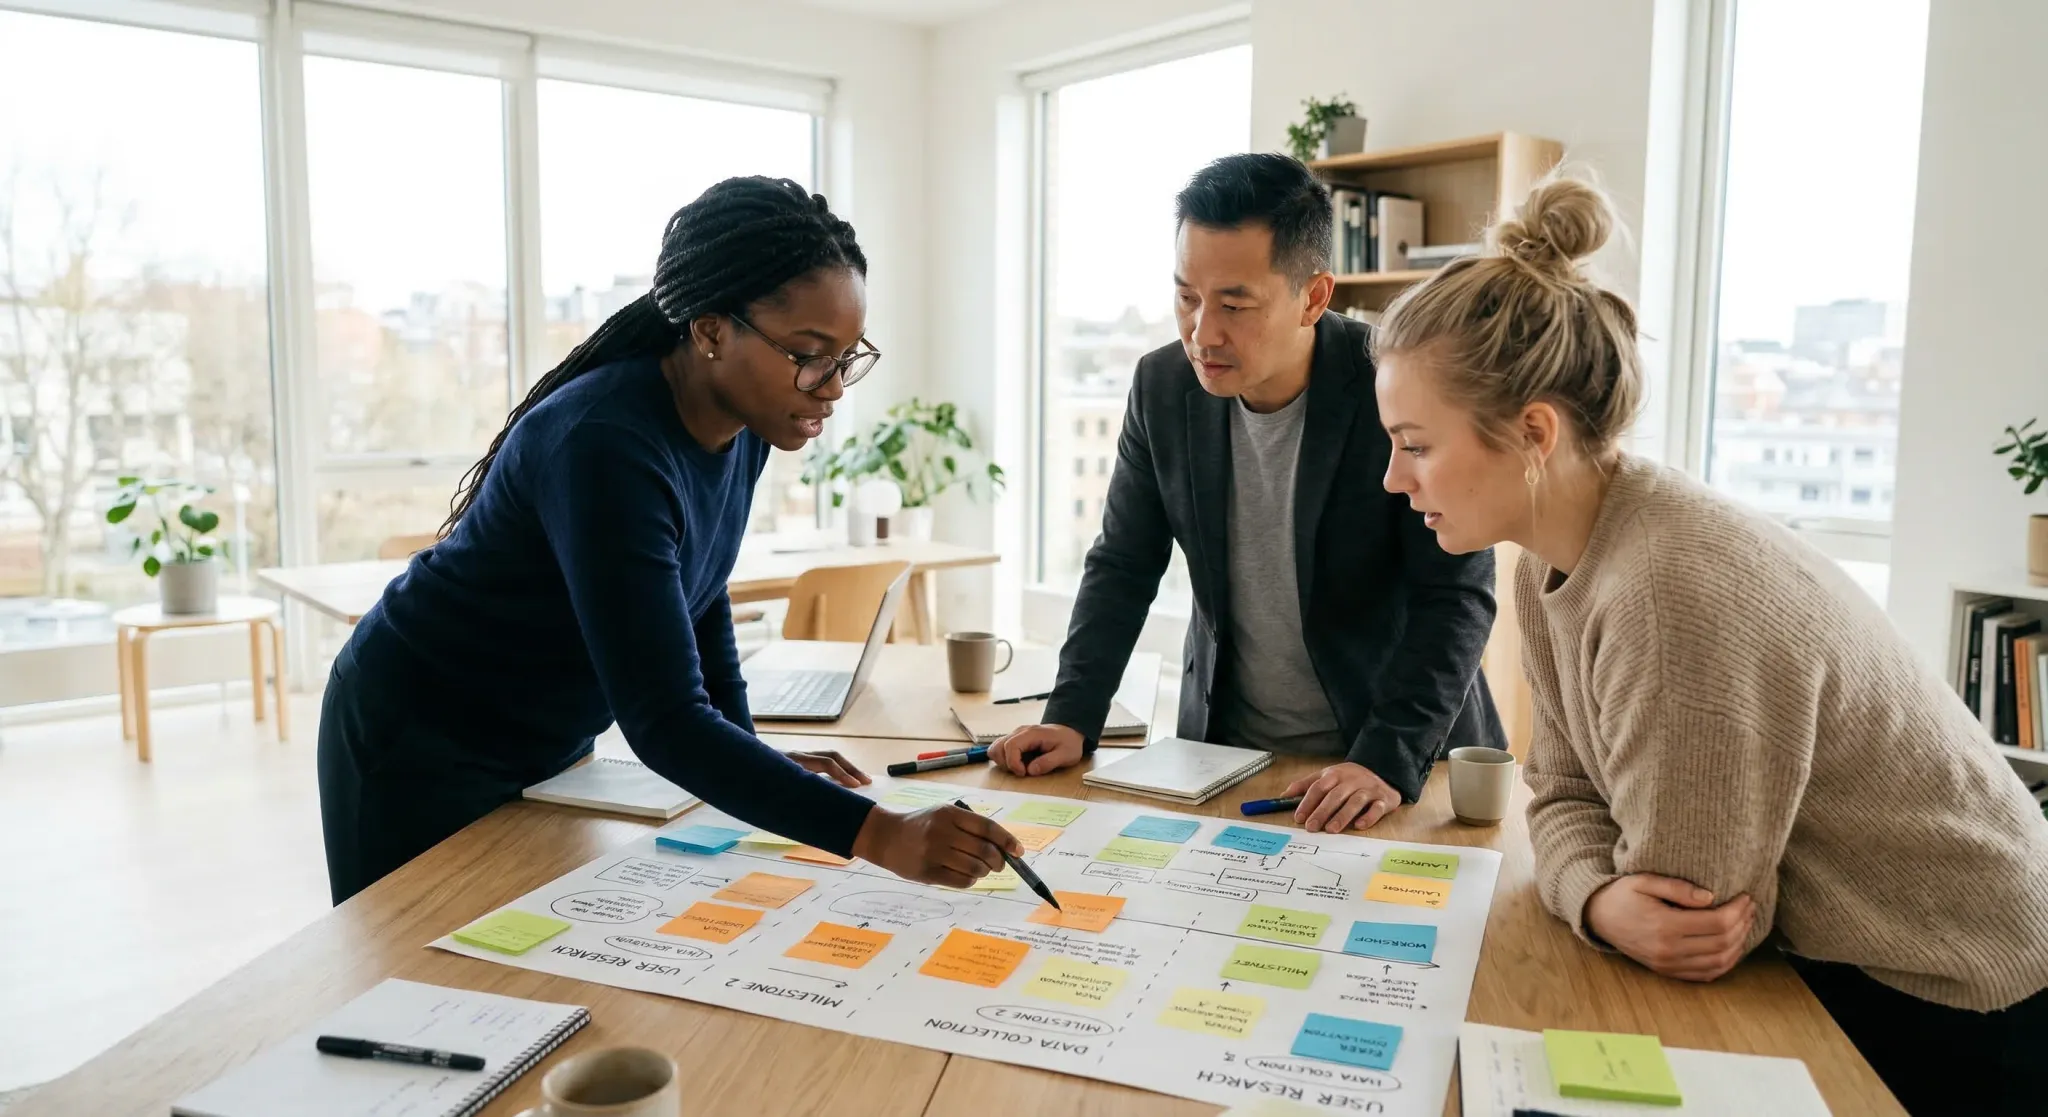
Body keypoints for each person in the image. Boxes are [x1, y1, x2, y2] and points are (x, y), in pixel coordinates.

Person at [1371, 173, 2048, 1114]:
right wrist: (1599, 899)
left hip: (1952, 981)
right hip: (1856, 951)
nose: (1394, 479)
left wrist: (1612, 895)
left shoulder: (1665, 588)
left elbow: (1694, 915)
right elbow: (1561, 791)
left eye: (1414, 444)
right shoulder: (1549, 554)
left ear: (1533, 432)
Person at [317, 177, 1016, 905]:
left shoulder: (747, 423)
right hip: (419, 731)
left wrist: (746, 749)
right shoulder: (604, 445)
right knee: (409, 976)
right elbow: (666, 720)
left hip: (543, 736)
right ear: (711, 330)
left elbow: (697, 591)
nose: (833, 386)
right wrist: (882, 834)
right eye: (810, 353)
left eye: (847, 357)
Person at [989, 153, 1502, 832]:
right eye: (1186, 297)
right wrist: (1072, 715)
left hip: (1393, 759)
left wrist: (1385, 757)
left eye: (1234, 303)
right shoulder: (1162, 387)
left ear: (1314, 297)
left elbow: (1456, 592)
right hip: (1230, 759)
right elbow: (1123, 564)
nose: (1203, 332)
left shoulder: (1393, 383)